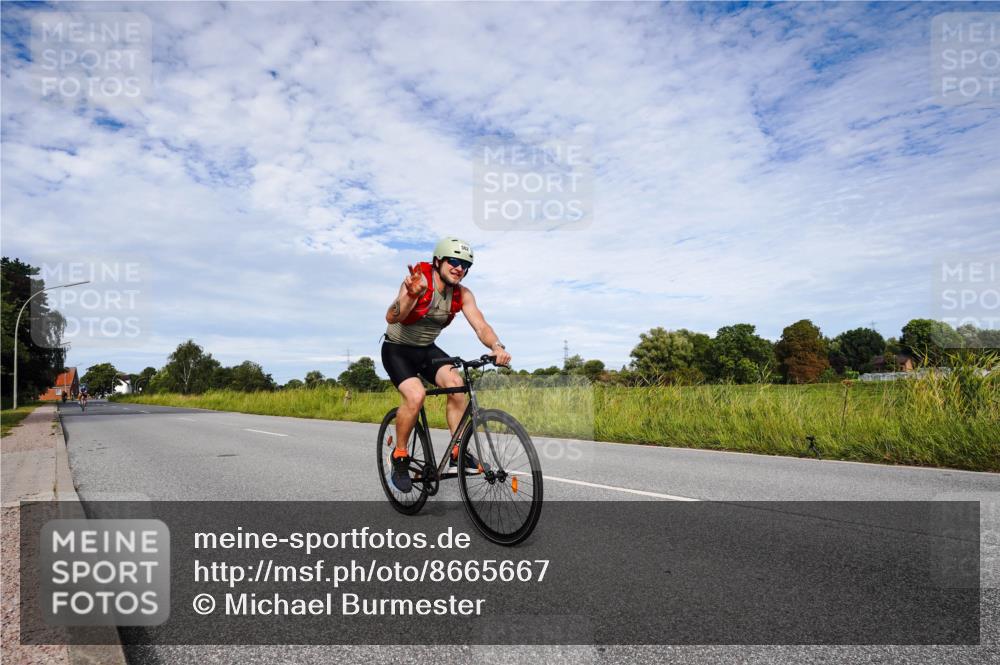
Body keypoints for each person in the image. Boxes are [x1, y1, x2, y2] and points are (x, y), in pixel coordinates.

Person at [382, 237, 511, 493]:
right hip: (397, 349)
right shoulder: (419, 281)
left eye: (464, 265)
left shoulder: (462, 294)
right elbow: (393, 315)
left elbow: (481, 326)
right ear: (438, 261)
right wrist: (410, 295)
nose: (459, 268)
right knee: (416, 396)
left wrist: (496, 346)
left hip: (426, 350)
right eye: (453, 261)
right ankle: (400, 455)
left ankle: (457, 451)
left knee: (456, 383)